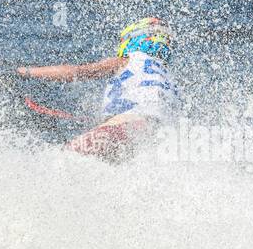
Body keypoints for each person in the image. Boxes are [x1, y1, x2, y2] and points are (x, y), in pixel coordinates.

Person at [17, 17, 180, 159]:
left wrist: (26, 72)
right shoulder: (169, 80)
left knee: (64, 158)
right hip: (157, 139)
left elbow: (76, 72)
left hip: (130, 128)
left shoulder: (129, 60)